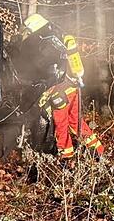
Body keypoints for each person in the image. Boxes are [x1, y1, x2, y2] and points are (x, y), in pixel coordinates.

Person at [12, 14, 104, 159]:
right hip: (73, 88)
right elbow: (76, 69)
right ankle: (98, 151)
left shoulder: (45, 45)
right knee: (76, 122)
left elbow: (47, 74)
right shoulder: (61, 39)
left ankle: (66, 157)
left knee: (61, 125)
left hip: (60, 93)